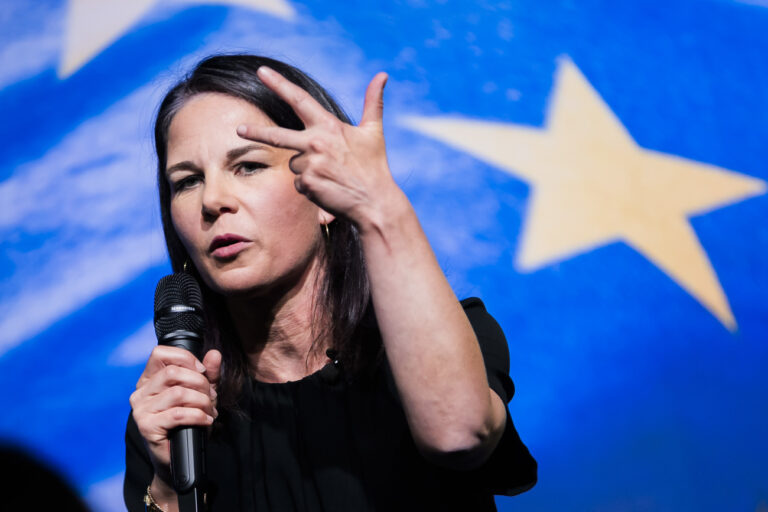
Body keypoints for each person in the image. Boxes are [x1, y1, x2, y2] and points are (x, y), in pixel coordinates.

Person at [124, 54, 536, 512]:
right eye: (187, 181)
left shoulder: (449, 336)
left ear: (325, 193)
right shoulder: (177, 403)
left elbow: (459, 435)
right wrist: (166, 486)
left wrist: (378, 204)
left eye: (249, 166)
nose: (213, 200)